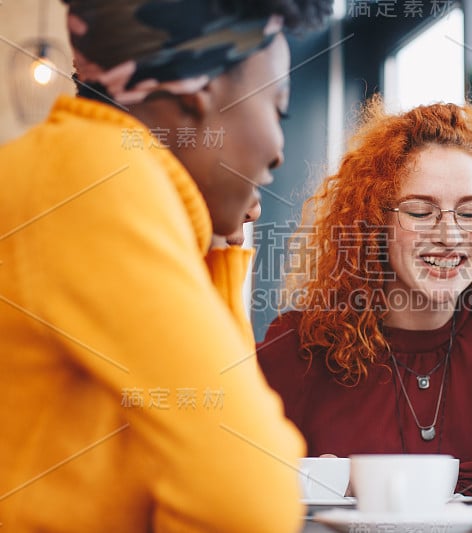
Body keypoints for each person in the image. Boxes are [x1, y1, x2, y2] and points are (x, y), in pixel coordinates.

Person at [0, 1, 331, 531]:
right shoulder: (95, 179)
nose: (278, 153)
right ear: (197, 95)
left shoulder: (84, 167)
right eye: (278, 109)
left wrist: (222, 253)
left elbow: (221, 418)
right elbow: (251, 497)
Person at [256, 97, 472, 497]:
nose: (449, 235)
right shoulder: (299, 345)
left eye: (471, 211)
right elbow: (232, 470)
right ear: (376, 221)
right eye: (421, 212)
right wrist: (338, 479)